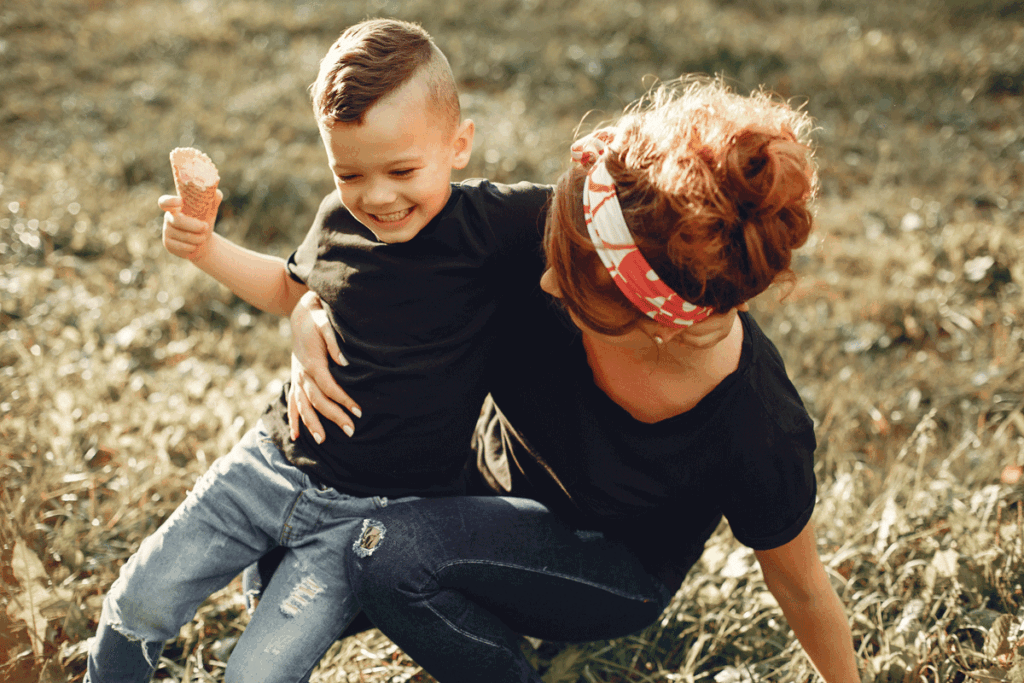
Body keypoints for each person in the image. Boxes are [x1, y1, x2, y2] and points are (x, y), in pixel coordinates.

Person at [282, 78, 862, 682]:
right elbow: (363, 251)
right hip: (473, 484)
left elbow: (801, 589)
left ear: (658, 325)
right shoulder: (569, 227)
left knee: (389, 554)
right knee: (280, 542)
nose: (548, 283)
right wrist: (311, 311)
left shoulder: (757, 424)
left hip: (606, 568)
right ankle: (462, 593)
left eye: (575, 289)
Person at [84, 18, 551, 683]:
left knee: (256, 675)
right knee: (138, 601)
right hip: (267, 468)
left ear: (460, 144)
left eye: (402, 169)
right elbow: (288, 284)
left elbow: (597, 209)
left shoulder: (494, 224)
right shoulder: (338, 217)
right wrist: (206, 248)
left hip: (368, 519)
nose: (378, 196)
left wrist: (607, 159)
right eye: (350, 171)